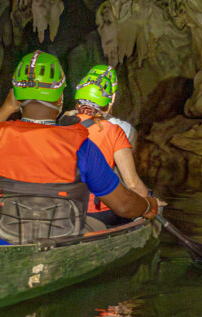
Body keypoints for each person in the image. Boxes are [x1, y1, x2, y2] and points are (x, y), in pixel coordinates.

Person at [0, 51, 157, 246]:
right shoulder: (81, 146)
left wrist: (7, 108)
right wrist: (149, 205)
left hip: (1, 241)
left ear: (16, 96)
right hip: (62, 239)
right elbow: (124, 205)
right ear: (60, 98)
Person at [63, 65, 164, 226]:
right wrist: (151, 200)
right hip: (98, 211)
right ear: (111, 101)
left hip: (62, 208)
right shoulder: (114, 131)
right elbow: (131, 183)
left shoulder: (60, 125)